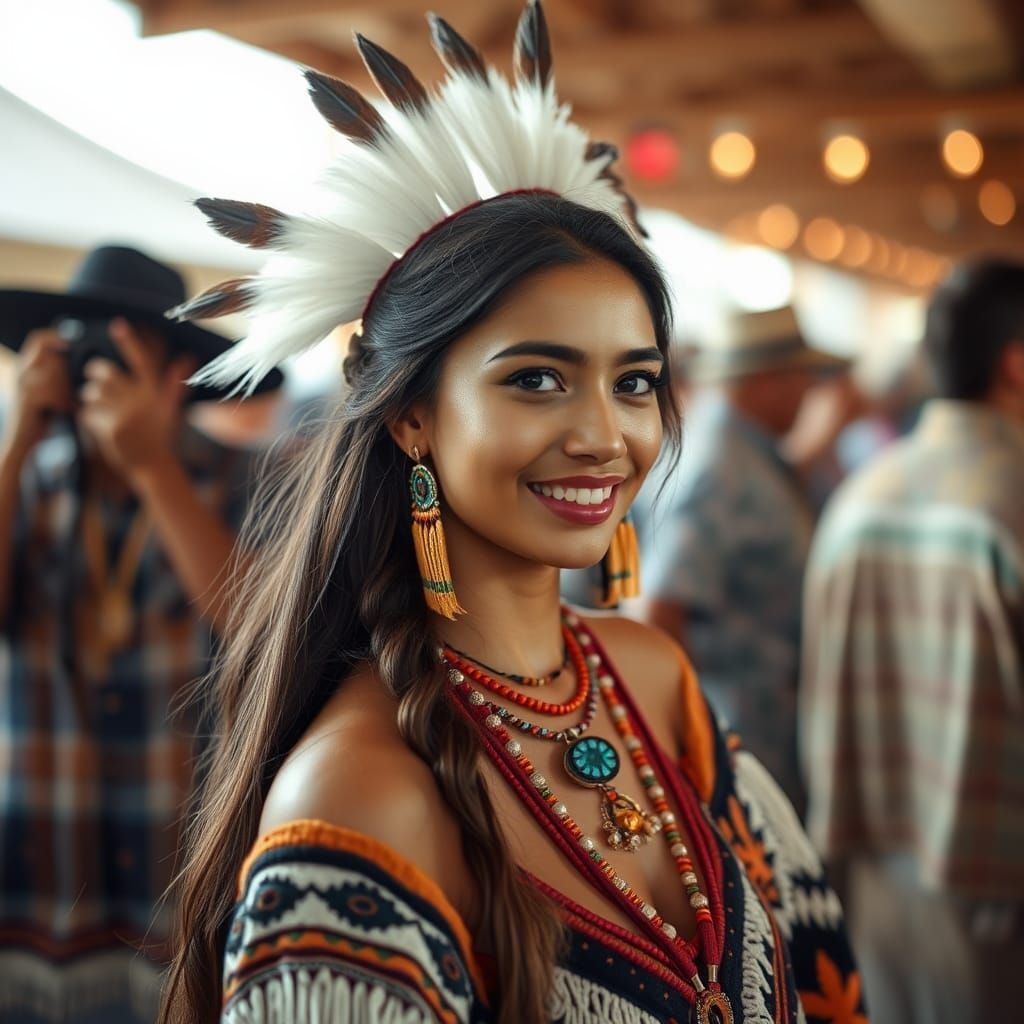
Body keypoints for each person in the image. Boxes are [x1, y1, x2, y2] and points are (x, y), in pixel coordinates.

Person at [159, 5, 866, 1023]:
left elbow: (817, 973)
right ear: (410, 415)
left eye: (633, 382)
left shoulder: (651, 676)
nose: (602, 435)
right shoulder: (360, 799)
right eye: (536, 378)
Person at [0, 245, 282, 1022]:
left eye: (127, 354)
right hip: (44, 862)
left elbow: (260, 626)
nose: (100, 375)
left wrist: (151, 465)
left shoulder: (251, 478)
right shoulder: (23, 476)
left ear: (177, 376)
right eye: (85, 345)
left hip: (183, 864)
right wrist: (21, 432)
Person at [801, 259, 1024, 1024]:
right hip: (996, 887)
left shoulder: (859, 496)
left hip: (869, 875)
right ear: (1015, 362)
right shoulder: (1014, 503)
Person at [639, 306, 847, 812]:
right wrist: (682, 747)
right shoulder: (721, 465)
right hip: (737, 735)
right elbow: (658, 611)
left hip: (758, 727)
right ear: (767, 378)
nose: (809, 393)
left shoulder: (743, 451)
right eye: (803, 378)